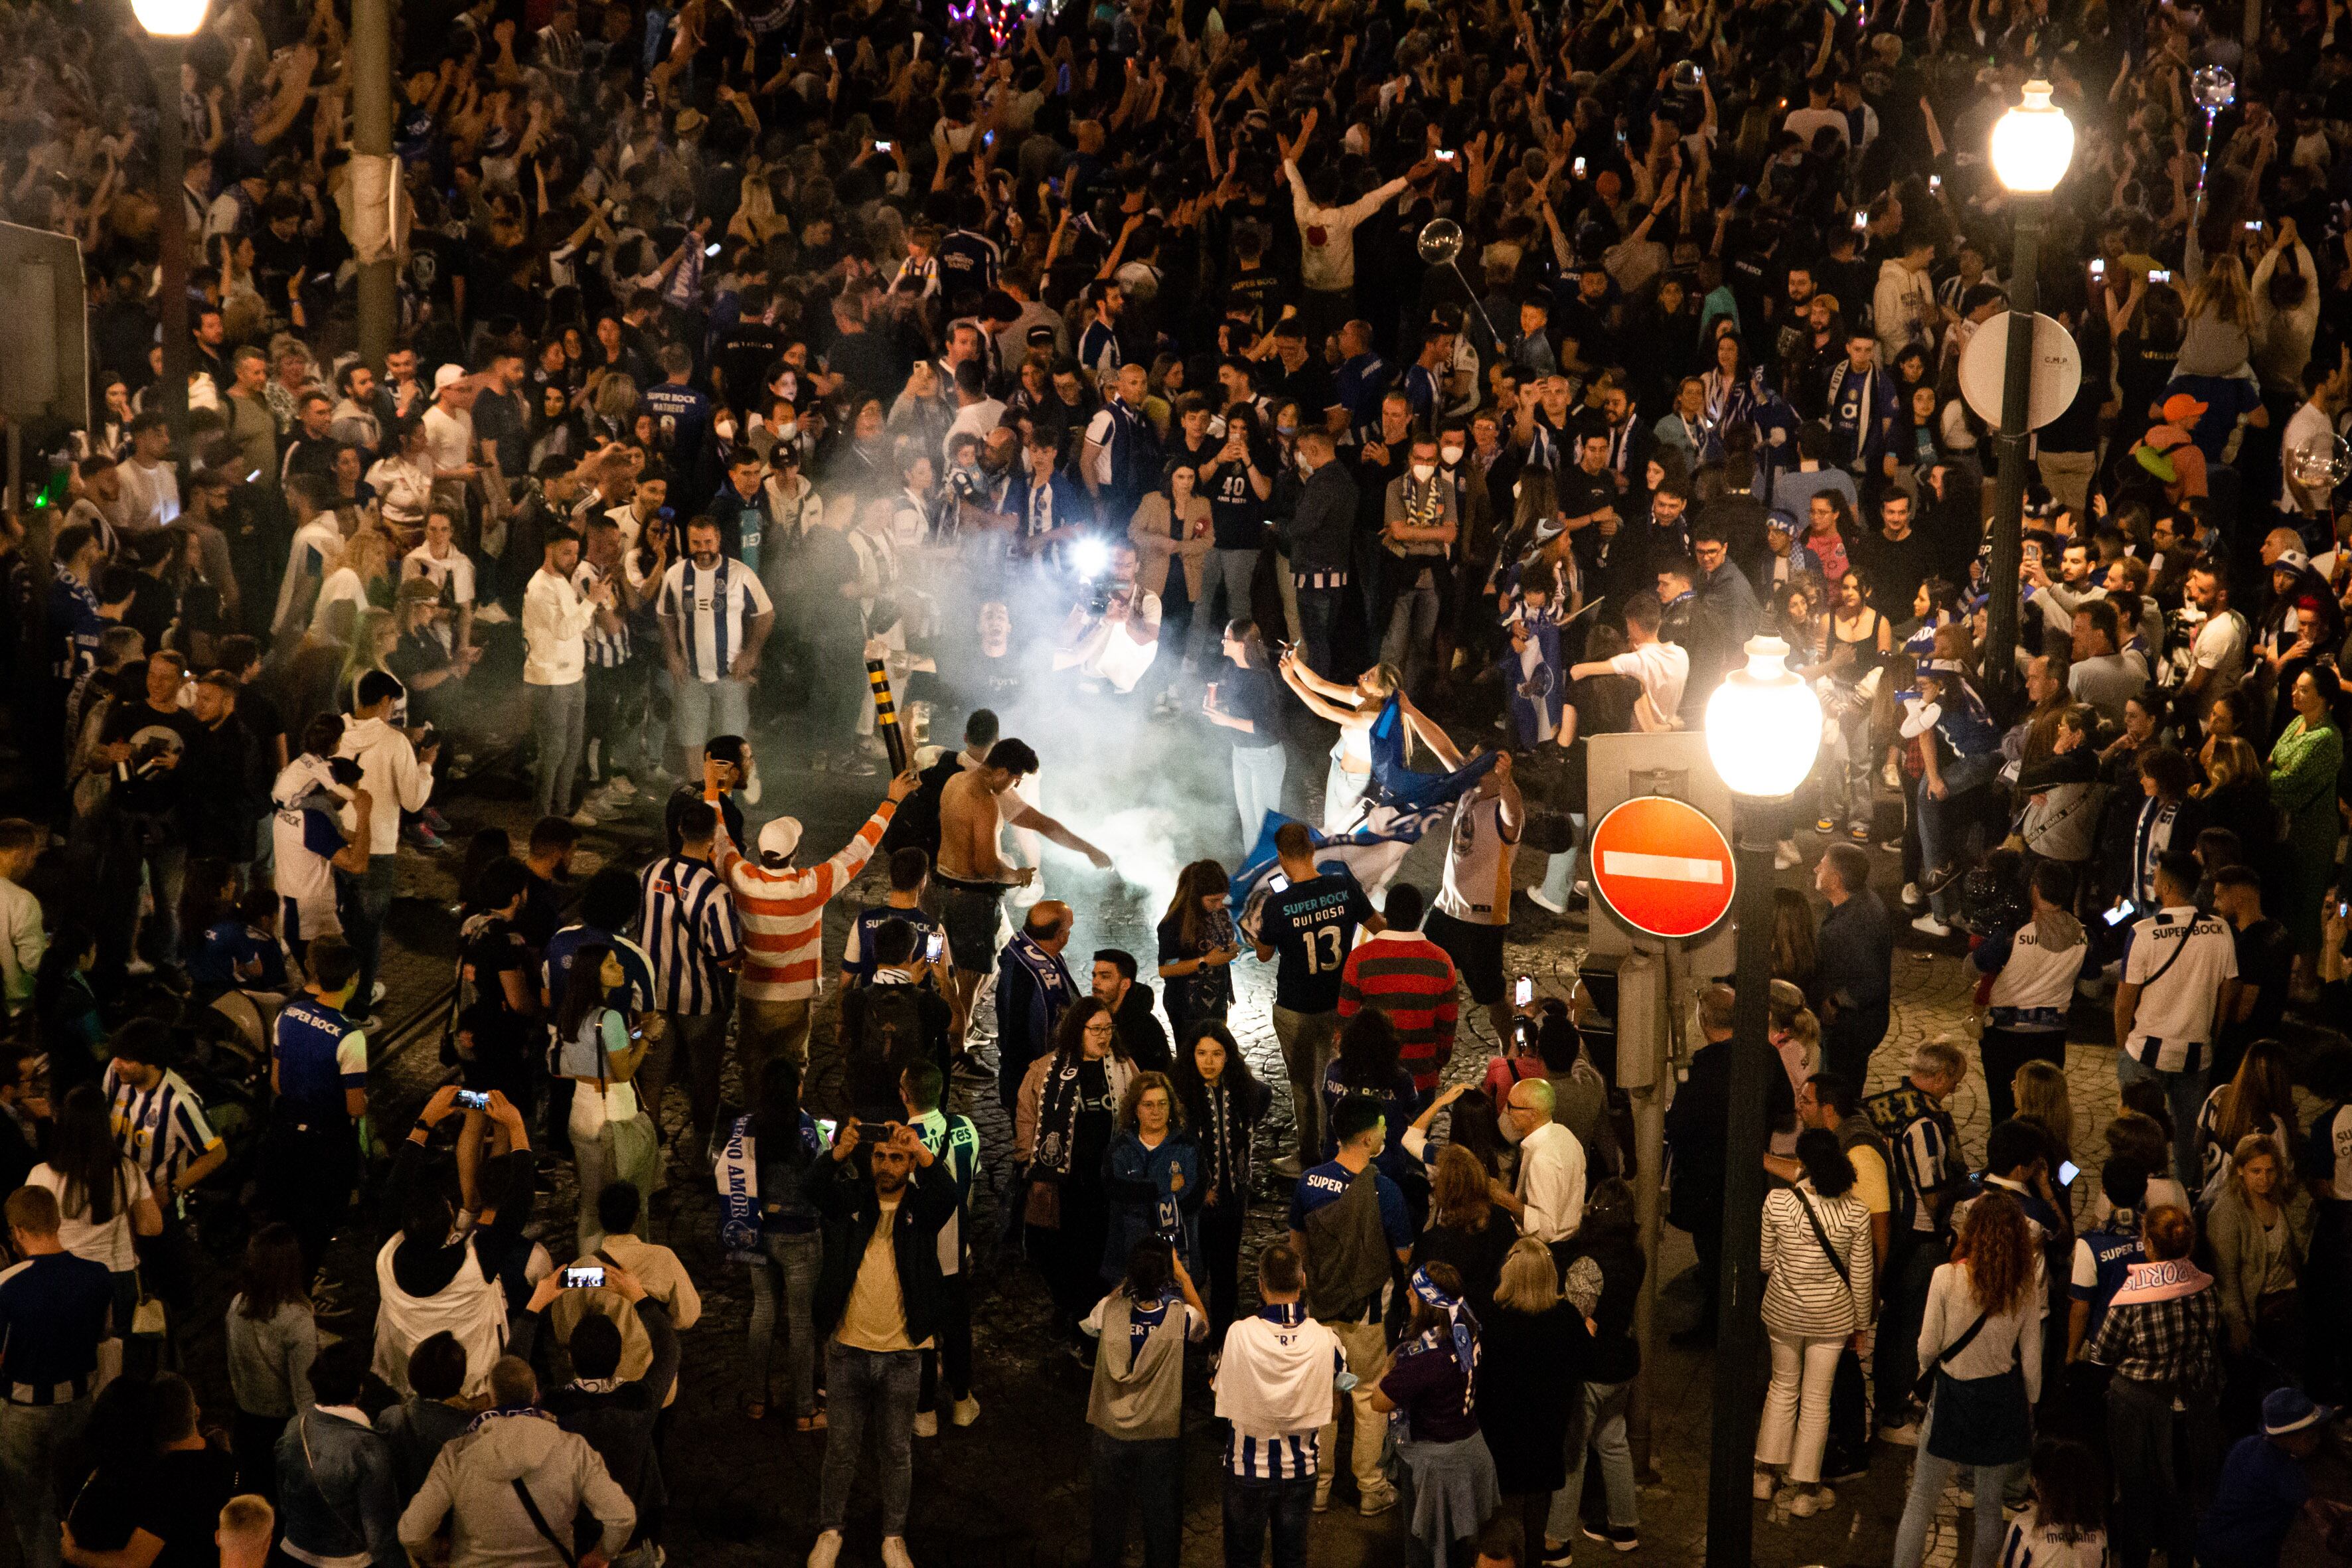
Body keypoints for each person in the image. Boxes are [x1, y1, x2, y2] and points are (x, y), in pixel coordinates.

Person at [803, 1117, 958, 1568]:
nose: (886, 1165)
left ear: (910, 1163)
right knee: (840, 1451)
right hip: (847, 1349)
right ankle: (829, 1531)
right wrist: (836, 1153)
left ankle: (894, 1537)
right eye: (879, 1156)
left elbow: (948, 1196)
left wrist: (924, 1151)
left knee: (895, 1452)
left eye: (896, 1157)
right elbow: (811, 1187)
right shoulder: (851, 1199)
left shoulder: (922, 1208)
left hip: (903, 1353)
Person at [704, 759, 916, 1079]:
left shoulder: (741, 879)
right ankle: (791, 1120)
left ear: (761, 852)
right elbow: (859, 850)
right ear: (795, 853)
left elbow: (719, 839)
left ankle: (755, 1119)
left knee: (752, 1067)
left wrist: (711, 788)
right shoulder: (811, 887)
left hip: (753, 992)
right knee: (793, 1069)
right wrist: (891, 802)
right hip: (795, 998)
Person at [1890, 1192, 2045, 1568]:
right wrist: (2031, 1404)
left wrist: (1930, 1369)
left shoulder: (1946, 1277)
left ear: (1972, 1231)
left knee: (1922, 1500)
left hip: (1951, 1397)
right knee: (1989, 1505)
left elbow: (1927, 1346)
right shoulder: (2024, 1288)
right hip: (1999, 1400)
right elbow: (2032, 1365)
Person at [1287, 1095, 1412, 1516]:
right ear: (1365, 1137)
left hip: (1319, 1311)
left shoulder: (1307, 1183)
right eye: (1380, 1127)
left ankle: (1319, 1487)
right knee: (1366, 1392)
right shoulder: (1385, 1190)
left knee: (1324, 1395)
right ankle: (1370, 1487)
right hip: (1367, 1315)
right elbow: (1404, 1253)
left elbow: (1297, 1246)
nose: (1385, 1133)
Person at [396, 1354, 637, 1568]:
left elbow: (412, 1533)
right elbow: (623, 1517)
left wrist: (435, 1552)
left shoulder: (455, 1455)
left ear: (491, 1399)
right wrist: (601, 1554)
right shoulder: (573, 1448)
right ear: (535, 1395)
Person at [514, 1257, 680, 1568]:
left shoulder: (552, 1407)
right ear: (619, 1357)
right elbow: (669, 1347)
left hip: (572, 1541)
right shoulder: (639, 1403)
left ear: (571, 1358)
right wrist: (637, 1296)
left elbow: (514, 1368)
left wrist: (535, 1304)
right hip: (630, 1543)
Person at [2089, 1204, 2227, 1568]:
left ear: (2148, 1244)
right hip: (2191, 1405)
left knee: (2137, 1493)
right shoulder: (2207, 1288)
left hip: (2137, 1408)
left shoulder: (2132, 1296)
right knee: (2182, 1492)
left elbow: (2103, 1353)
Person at [1753, 1129, 1875, 1516]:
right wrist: (1861, 1325)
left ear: (1801, 1163)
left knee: (1782, 1387)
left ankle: (1764, 1474)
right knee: (1817, 1400)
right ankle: (1806, 1490)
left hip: (1783, 1312)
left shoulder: (1777, 1202)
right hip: (1832, 1319)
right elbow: (1861, 1277)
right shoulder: (1856, 1213)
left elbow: (1765, 1262)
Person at [1253, 821, 1385, 1176]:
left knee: (1302, 1085)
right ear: (1313, 850)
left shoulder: (1278, 905)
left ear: (1281, 858)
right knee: (1336, 1080)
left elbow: (1264, 955)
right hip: (1339, 1005)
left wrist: (1254, 930)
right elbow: (1380, 929)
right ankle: (1341, 1153)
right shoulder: (1343, 888)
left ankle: (1309, 1157)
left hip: (1295, 1007)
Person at [1667, 984, 1796, 1344]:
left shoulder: (1700, 1068)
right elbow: (1785, 1108)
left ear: (1704, 1019)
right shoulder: (1766, 1056)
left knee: (1713, 1255)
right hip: (1752, 1174)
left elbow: (1677, 1127)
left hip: (1706, 1183)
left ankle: (1718, 1328)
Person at [1213, 1243, 1350, 1568]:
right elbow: (1341, 1393)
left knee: (1243, 1559)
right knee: (1291, 1558)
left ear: (1260, 1284)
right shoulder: (1328, 1340)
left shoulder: (1239, 1334)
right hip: (1300, 1470)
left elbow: (1218, 1389)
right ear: (1303, 1280)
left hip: (1246, 1468)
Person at [0, 1186, 116, 1568]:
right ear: (57, 1222)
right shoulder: (98, 1276)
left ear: (17, 1231)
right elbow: (104, 1335)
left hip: (23, 1412)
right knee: (77, 1500)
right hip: (80, 1404)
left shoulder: (8, 1285)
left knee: (30, 1510)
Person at [2115, 850, 2241, 1191]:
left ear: (2167, 886)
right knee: (2189, 1139)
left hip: (2145, 1051)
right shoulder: (2220, 930)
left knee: (2137, 1137)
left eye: (2156, 875)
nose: (2153, 880)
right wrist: (2213, 1032)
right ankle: (2187, 1202)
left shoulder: (2143, 932)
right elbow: (2228, 989)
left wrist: (2120, 1045)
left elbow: (2126, 997)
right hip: (2196, 1053)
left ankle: (2136, 1196)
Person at [1016, 997, 1137, 1350]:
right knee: (1060, 1251)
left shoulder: (1124, 1068)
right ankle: (1065, 1306)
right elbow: (1027, 1118)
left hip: (1107, 1186)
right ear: (1078, 1031)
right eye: (1095, 1030)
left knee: (1100, 1253)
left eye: (1108, 1029)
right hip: (1063, 1186)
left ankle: (1089, 1319)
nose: (1103, 1037)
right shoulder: (1044, 1070)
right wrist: (1029, 1162)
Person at [1082, 1235, 1208, 1568]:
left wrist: (1129, 1281)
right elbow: (1205, 1324)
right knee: (1162, 1521)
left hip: (1110, 1430)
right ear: (1167, 1276)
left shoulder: (1107, 1312)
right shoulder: (1180, 1318)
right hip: (1159, 1432)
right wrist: (1184, 1276)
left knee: (1107, 1522)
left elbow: (1093, 1322)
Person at [1370, 1263, 1500, 1568]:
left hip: (1437, 1464)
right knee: (1462, 1546)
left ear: (1429, 1303)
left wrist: (1393, 1362)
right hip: (1471, 1447)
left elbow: (1379, 1401)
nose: (1406, 1295)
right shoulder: (1466, 1326)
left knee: (1423, 1549)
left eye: (1413, 1292)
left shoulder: (1423, 1358)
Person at [1474, 1237, 1591, 1559]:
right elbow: (1588, 1362)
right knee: (1535, 1524)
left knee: (1499, 1531)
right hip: (1545, 1441)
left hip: (1501, 1445)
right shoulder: (1566, 1319)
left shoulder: (1492, 1320)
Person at [637, 799, 742, 1156]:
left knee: (651, 1080)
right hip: (701, 1002)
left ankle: (647, 1156)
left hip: (653, 998)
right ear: (713, 838)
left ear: (680, 830)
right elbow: (726, 954)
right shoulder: (714, 891)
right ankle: (701, 1152)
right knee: (704, 1079)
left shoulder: (650, 873)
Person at [1172, 1023, 1269, 1341]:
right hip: (1193, 1206)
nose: (1209, 1061)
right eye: (1201, 1053)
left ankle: (1222, 1340)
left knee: (1226, 1271)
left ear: (1229, 1056)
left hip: (1232, 1200)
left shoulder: (1243, 1090)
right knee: (1194, 1271)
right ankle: (1189, 1332)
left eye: (1217, 1054)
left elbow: (1263, 1097)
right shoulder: (1179, 1096)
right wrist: (1198, 1190)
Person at [1974, 860, 2088, 1127]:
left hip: (2003, 1037)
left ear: (2035, 891)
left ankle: (2003, 1165)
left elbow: (1972, 967)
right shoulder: (2083, 936)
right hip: (2051, 1037)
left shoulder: (2014, 935)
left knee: (2003, 1112)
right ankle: (2047, 1165)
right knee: (2045, 1114)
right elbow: (2092, 986)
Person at [273, 1344, 403, 1568]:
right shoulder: (368, 1446)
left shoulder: (295, 1427)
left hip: (293, 1553)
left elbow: (283, 1497)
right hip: (347, 1561)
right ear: (359, 1389)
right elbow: (379, 1532)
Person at [2204, 1134, 2312, 1387]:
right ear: (2240, 1170)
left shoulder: (2282, 1200)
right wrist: (2237, 1324)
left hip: (2290, 1301)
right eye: (2256, 1171)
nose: (2264, 1179)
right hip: (2257, 1310)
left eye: (2270, 1171)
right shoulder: (2228, 1213)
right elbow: (2226, 1276)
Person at [2197, 1387, 2347, 1568]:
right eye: (2311, 1436)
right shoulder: (2285, 1470)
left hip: (2210, 1541)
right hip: (2244, 1556)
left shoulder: (2246, 1445)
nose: (2316, 1442)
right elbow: (2320, 1515)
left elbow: (2273, 1491)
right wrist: (2336, 1525)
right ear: (2291, 1437)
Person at [223, 1223, 317, 1500]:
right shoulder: (298, 1321)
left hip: (245, 1422)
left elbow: (233, 1369)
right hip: (281, 1429)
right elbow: (304, 1396)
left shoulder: (237, 1305)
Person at [523, 528, 603, 821]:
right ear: (549, 549)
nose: (572, 559)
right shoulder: (541, 587)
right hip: (550, 682)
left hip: (573, 679)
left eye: (575, 553)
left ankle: (561, 814)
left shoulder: (561, 582)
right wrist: (592, 602)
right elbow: (564, 629)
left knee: (571, 752)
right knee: (554, 753)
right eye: (566, 553)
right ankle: (543, 818)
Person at [1102, 1072, 1204, 1285]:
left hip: (1179, 1260)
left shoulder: (1187, 1146)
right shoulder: (1121, 1149)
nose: (1156, 1111)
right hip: (1128, 1260)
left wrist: (1142, 1199)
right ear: (1136, 1109)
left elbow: (1192, 1198)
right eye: (1148, 1105)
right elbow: (1117, 1191)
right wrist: (1165, 1186)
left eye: (1162, 1104)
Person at [1812, 844, 1893, 1087]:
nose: (1815, 869)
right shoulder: (1861, 901)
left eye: (1823, 865)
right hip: (1862, 1024)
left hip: (1851, 1029)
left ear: (1836, 880)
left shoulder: (1851, 925)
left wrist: (1833, 1002)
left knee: (1837, 1089)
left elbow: (1872, 982)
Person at [998, 902, 1081, 1114]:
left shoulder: (1020, 948)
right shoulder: (1042, 984)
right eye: (1068, 930)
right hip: (1034, 1081)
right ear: (1061, 936)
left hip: (1016, 1072)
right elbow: (1045, 1036)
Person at [1156, 861, 1241, 1044]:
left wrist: (1229, 949)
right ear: (1196, 897)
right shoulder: (1173, 924)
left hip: (1217, 1003)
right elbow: (1166, 968)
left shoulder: (1218, 913)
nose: (1220, 906)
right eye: (1213, 900)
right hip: (1186, 1009)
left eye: (1222, 899)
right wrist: (1206, 961)